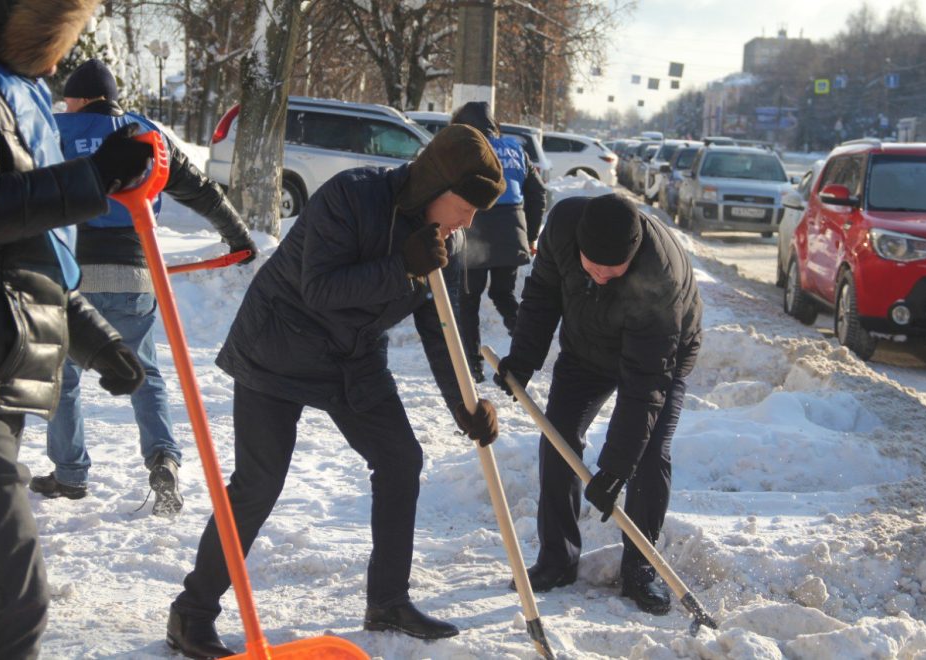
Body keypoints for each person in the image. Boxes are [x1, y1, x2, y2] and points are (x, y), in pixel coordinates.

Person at [167, 124, 505, 657]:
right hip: (279, 344)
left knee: (400, 460)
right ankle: (191, 614)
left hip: (353, 358)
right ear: (434, 185)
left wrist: (464, 404)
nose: (468, 221)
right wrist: (402, 266)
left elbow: (441, 328)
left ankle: (388, 600)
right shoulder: (352, 196)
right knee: (259, 482)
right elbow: (320, 288)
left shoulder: (447, 238)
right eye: (465, 207)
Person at [0, 2, 155, 657]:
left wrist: (103, 345)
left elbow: (32, 261)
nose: (55, 67)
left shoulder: (11, 98)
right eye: (51, 46)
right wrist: (95, 175)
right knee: (13, 606)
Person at [28, 59, 258, 516]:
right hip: (134, 275)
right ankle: (163, 460)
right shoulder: (145, 133)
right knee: (145, 373)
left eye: (69, 100)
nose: (66, 106)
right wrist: (238, 237)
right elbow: (200, 190)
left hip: (70, 275)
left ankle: (70, 473)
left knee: (64, 377)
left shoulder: (53, 129)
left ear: (79, 99)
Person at [494, 192, 702, 615]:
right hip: (586, 348)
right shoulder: (562, 227)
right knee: (559, 438)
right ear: (579, 246)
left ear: (633, 253)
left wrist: (616, 468)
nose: (602, 277)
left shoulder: (659, 274)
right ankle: (557, 559)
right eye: (593, 267)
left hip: (660, 358)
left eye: (614, 269)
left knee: (649, 455)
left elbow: (645, 384)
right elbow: (542, 294)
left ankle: (640, 570)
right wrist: (523, 359)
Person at [449, 101, 546, 382]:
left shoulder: (466, 148)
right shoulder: (516, 149)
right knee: (504, 295)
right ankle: (527, 350)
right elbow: (538, 194)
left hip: (475, 229)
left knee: (468, 300)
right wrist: (529, 236)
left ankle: (472, 366)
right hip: (511, 230)